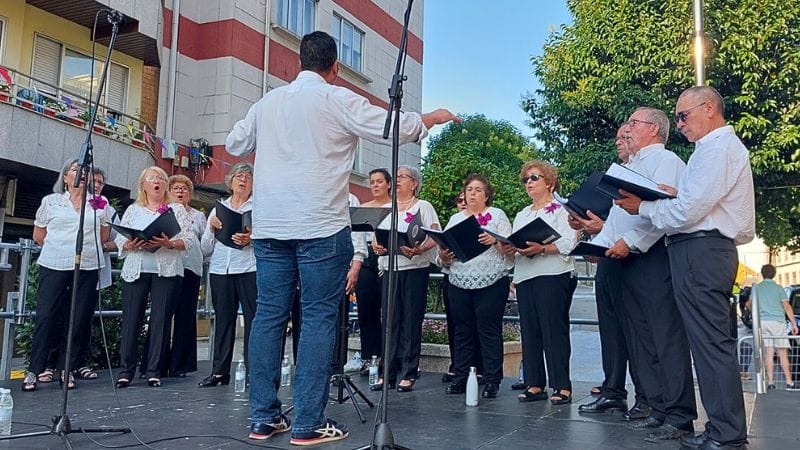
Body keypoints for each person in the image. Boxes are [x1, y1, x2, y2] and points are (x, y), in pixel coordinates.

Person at [225, 30, 458, 445]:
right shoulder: (336, 98)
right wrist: (429, 119)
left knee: (268, 316)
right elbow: (391, 127)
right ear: (334, 68)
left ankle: (263, 418)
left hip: (272, 226)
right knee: (316, 319)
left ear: (300, 62)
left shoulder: (269, 102)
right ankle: (308, 424)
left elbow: (236, 142)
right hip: (319, 225)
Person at [616, 86, 756, 450]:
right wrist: (674, 195)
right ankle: (722, 431)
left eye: (683, 115)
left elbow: (687, 212)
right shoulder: (710, 151)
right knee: (707, 345)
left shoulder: (717, 148)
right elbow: (695, 203)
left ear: (709, 108)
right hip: (699, 249)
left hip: (702, 249)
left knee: (710, 346)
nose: (679, 124)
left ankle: (726, 435)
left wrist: (644, 207)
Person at [595, 108, 697, 444]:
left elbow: (662, 211)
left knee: (665, 337)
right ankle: (656, 408)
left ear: (654, 128)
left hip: (651, 257)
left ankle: (680, 415)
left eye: (633, 124)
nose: (627, 129)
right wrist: (600, 245)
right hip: (624, 259)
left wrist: (632, 241)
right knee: (641, 339)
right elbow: (617, 221)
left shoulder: (665, 160)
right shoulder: (630, 166)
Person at [574, 124, 650, 421]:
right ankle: (613, 391)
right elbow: (614, 224)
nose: (621, 141)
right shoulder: (617, 175)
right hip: (608, 257)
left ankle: (646, 397)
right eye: (618, 137)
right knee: (610, 331)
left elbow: (643, 223)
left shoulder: (652, 168)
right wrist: (589, 230)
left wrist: (602, 230)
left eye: (626, 136)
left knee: (636, 333)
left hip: (633, 258)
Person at [21, 159, 111, 392]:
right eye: (75, 170)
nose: (81, 174)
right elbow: (39, 235)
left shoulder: (100, 203)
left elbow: (103, 236)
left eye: (85, 171)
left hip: (87, 265)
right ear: (66, 176)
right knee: (46, 316)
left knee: (79, 317)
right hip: (54, 263)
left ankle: (66, 368)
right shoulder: (50, 202)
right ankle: (35, 369)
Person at [500, 160, 578, 405]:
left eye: (534, 178)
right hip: (525, 275)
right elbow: (516, 246)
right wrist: (507, 248)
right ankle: (535, 383)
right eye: (526, 179)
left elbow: (570, 242)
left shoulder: (561, 209)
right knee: (530, 331)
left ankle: (562, 385)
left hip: (553, 273)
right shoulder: (523, 213)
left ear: (549, 181)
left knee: (553, 330)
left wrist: (542, 247)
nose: (529, 183)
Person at [114, 166, 194, 389]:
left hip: (166, 269)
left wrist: (168, 243)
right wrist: (130, 243)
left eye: (161, 178)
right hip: (137, 267)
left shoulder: (175, 209)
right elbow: (120, 239)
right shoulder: (133, 209)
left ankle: (153, 370)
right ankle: (126, 370)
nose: (157, 182)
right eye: (152, 179)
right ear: (144, 185)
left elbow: (188, 239)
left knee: (160, 320)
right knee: (131, 320)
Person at [438, 174, 512, 399]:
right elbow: (444, 252)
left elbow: (510, 247)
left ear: (486, 195)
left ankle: (491, 379)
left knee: (488, 329)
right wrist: (444, 254)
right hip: (459, 279)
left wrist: (495, 240)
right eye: (469, 189)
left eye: (478, 190)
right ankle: (461, 376)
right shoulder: (455, 218)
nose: (472, 194)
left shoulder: (496, 215)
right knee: (462, 330)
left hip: (491, 280)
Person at [371, 165, 441, 393]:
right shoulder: (386, 207)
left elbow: (434, 234)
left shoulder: (423, 206)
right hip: (390, 268)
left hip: (414, 267)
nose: (398, 180)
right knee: (390, 320)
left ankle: (409, 371)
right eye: (396, 176)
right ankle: (387, 371)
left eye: (403, 177)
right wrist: (377, 246)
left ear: (414, 183)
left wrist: (420, 249)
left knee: (411, 320)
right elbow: (375, 236)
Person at [198, 163, 256, 388]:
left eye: (248, 177)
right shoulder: (218, 208)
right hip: (221, 268)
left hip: (249, 267)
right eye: (238, 176)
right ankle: (219, 371)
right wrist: (211, 229)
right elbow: (205, 249)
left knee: (253, 319)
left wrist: (252, 239)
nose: (243, 180)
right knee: (223, 320)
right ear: (230, 181)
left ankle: (253, 370)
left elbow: (268, 241)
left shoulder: (258, 207)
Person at [352, 168, 392, 373]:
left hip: (387, 255)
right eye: (372, 182)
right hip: (366, 257)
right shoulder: (364, 207)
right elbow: (358, 238)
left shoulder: (395, 207)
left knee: (389, 309)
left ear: (388, 184)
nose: (375, 185)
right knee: (367, 309)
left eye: (379, 181)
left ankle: (389, 357)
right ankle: (370, 356)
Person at [166, 175, 205, 377]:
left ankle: (180, 364)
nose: (180, 192)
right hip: (169, 266)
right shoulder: (163, 211)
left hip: (191, 267)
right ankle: (158, 362)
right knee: (163, 315)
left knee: (186, 315)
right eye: (176, 188)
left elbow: (205, 243)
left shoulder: (198, 215)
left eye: (184, 188)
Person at [751, 264, 799, 390]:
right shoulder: (779, 288)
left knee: (769, 353)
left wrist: (756, 314)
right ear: (774, 274)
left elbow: (750, 304)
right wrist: (793, 324)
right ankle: (789, 382)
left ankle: (771, 382)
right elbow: (787, 306)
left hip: (763, 322)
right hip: (778, 322)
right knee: (782, 352)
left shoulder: (757, 288)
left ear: (762, 274)